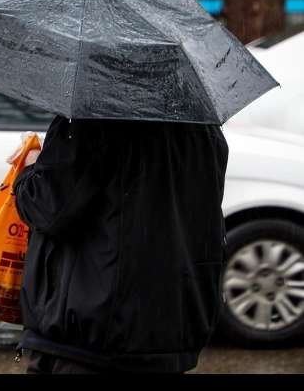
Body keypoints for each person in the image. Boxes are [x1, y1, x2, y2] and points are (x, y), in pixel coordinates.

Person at [12, 116, 229, 374]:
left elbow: (45, 207)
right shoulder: (205, 131)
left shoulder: (92, 118)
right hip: (169, 331)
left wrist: (31, 164)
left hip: (92, 338)